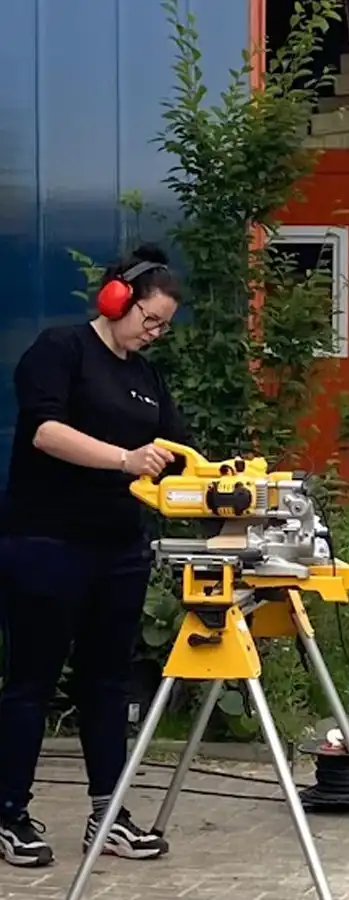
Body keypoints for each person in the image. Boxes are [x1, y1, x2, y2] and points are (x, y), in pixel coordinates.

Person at [0, 244, 190, 868]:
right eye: (149, 319)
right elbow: (45, 431)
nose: (154, 333)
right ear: (116, 298)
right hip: (47, 543)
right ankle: (9, 814)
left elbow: (178, 453)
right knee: (31, 682)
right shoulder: (61, 350)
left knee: (108, 683)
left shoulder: (146, 378)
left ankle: (108, 815)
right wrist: (125, 459)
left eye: (163, 326)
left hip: (119, 550)